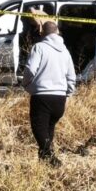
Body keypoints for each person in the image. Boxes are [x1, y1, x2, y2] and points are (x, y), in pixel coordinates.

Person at [21, 20, 76, 166]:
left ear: (42, 33)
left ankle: (50, 157)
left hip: (41, 95)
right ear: (57, 32)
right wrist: (67, 92)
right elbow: (72, 76)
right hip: (60, 98)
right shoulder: (65, 51)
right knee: (49, 128)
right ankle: (44, 161)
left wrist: (26, 85)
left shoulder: (39, 47)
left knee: (39, 128)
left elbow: (31, 69)